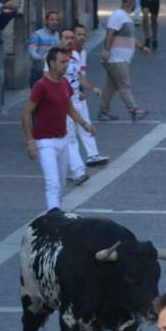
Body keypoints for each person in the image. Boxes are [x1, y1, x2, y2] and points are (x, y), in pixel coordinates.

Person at [22, 47, 96, 211]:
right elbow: (26, 112)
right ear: (52, 63)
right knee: (52, 183)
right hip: (45, 142)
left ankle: (57, 212)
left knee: (61, 184)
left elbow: (70, 109)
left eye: (68, 61)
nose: (66, 65)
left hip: (62, 140)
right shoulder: (41, 86)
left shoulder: (64, 83)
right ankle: (53, 218)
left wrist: (85, 125)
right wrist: (30, 141)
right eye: (63, 62)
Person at [60, 25, 108, 169]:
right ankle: (74, 167)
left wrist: (90, 88)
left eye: (82, 35)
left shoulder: (80, 54)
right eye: (76, 35)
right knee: (70, 134)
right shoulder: (56, 56)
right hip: (65, 98)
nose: (80, 38)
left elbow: (79, 76)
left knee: (85, 123)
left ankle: (93, 155)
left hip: (77, 96)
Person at [98, 0, 150, 121]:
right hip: (117, 59)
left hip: (119, 59)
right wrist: (106, 49)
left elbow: (130, 39)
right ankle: (134, 110)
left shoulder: (125, 17)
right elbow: (110, 32)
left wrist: (142, 47)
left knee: (111, 87)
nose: (135, 6)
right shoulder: (118, 15)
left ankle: (104, 112)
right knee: (124, 85)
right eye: (134, 2)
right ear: (130, 2)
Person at [27, 10, 62, 86]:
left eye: (56, 20)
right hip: (39, 72)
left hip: (53, 72)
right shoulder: (37, 35)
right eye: (51, 19)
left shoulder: (57, 35)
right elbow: (32, 53)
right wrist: (43, 58)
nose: (54, 22)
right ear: (46, 21)